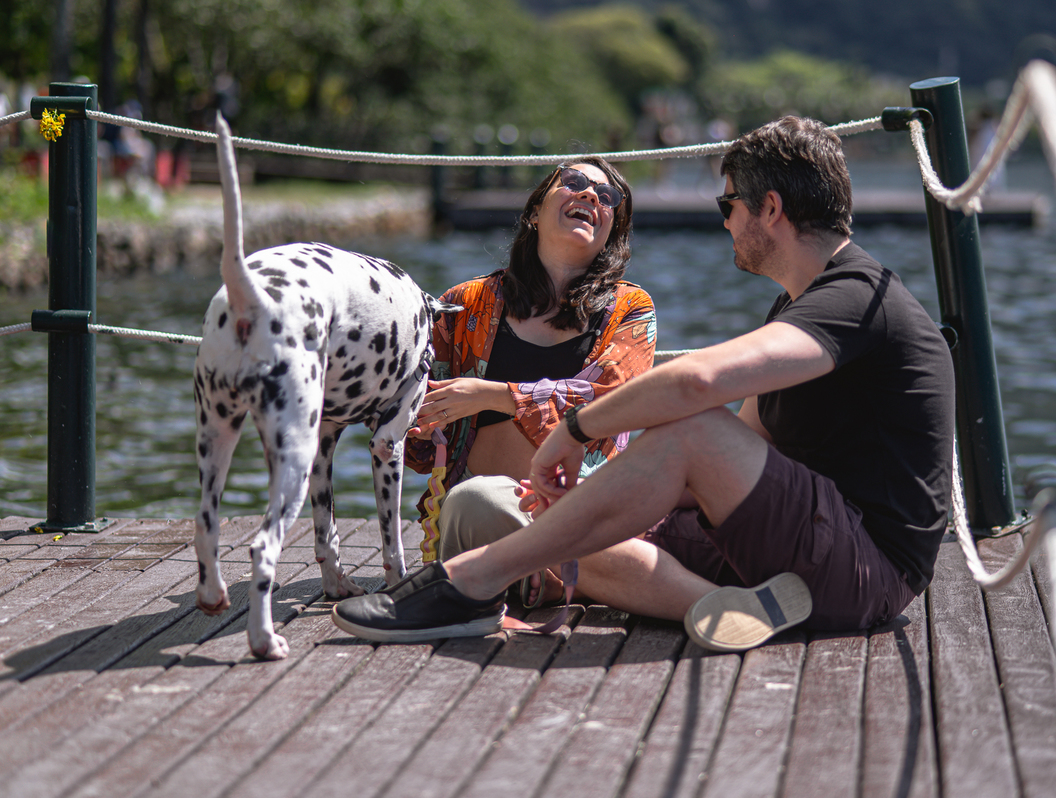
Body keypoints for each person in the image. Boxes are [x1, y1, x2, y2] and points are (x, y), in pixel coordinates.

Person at [332, 117, 955, 652]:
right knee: (483, 504)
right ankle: (726, 604)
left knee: (693, 426)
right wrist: (602, 506)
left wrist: (574, 431)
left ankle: (468, 583)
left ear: (769, 209)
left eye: (728, 206)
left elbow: (698, 384)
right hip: (782, 547)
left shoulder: (858, 297)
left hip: (862, 568)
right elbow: (748, 447)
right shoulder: (799, 308)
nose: (725, 223)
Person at [402, 157, 657, 603]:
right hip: (481, 514)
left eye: (608, 197)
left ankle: (546, 573)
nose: (591, 194)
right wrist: (417, 419)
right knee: (475, 500)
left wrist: (495, 396)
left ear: (611, 234)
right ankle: (549, 578)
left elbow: (610, 404)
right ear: (535, 211)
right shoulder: (465, 304)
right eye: (573, 182)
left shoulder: (631, 309)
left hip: (576, 510)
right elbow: (416, 439)